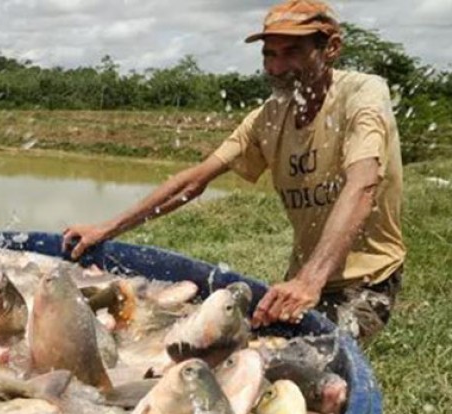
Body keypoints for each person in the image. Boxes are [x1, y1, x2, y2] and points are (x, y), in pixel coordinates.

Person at [62, 0, 406, 342]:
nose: (276, 67)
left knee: (298, 357)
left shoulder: (362, 95)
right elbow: (193, 181)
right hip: (303, 278)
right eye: (269, 55)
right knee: (222, 341)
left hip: (364, 283)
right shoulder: (269, 117)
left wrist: (309, 281)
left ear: (331, 48)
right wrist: (106, 229)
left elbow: (363, 185)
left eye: (292, 52)